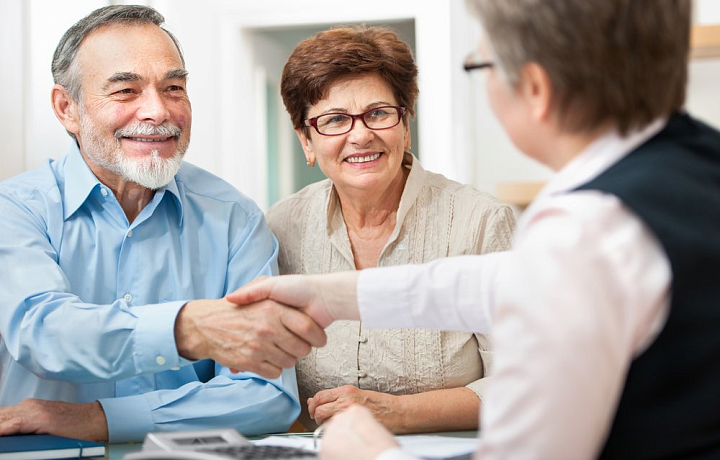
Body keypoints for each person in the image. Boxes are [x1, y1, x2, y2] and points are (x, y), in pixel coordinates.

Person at [229, 0, 720, 458]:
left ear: (535, 89)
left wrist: (372, 451)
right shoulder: (697, 161)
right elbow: (502, 281)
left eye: (480, 65)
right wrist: (336, 296)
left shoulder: (580, 228)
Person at [0, 5, 325, 443]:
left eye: (174, 87)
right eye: (126, 91)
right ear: (67, 108)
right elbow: (44, 333)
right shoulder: (15, 210)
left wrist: (101, 419)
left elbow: (266, 393)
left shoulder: (234, 217)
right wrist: (187, 327)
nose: (157, 111)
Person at [269, 25, 515, 432]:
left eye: (378, 113)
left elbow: (523, 382)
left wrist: (397, 414)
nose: (361, 135)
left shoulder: (481, 222)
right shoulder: (279, 229)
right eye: (334, 120)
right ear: (306, 141)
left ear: (405, 124)